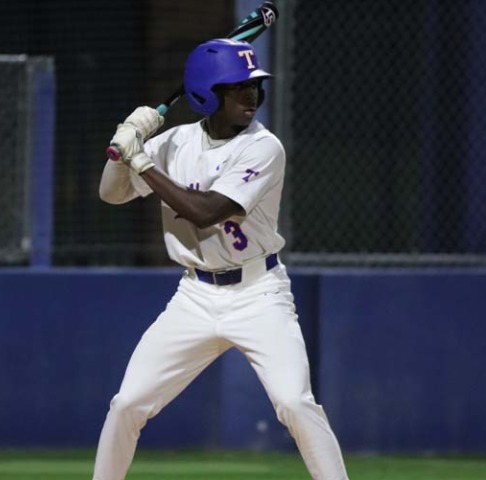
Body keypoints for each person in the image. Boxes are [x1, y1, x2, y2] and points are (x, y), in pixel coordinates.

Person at [94, 38, 349, 480]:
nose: (252, 95)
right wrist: (124, 148)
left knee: (294, 402)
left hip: (259, 293)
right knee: (128, 404)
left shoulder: (263, 147)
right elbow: (111, 194)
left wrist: (141, 162)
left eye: (254, 85)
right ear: (205, 94)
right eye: (237, 87)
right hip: (195, 296)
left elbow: (206, 211)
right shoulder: (173, 144)